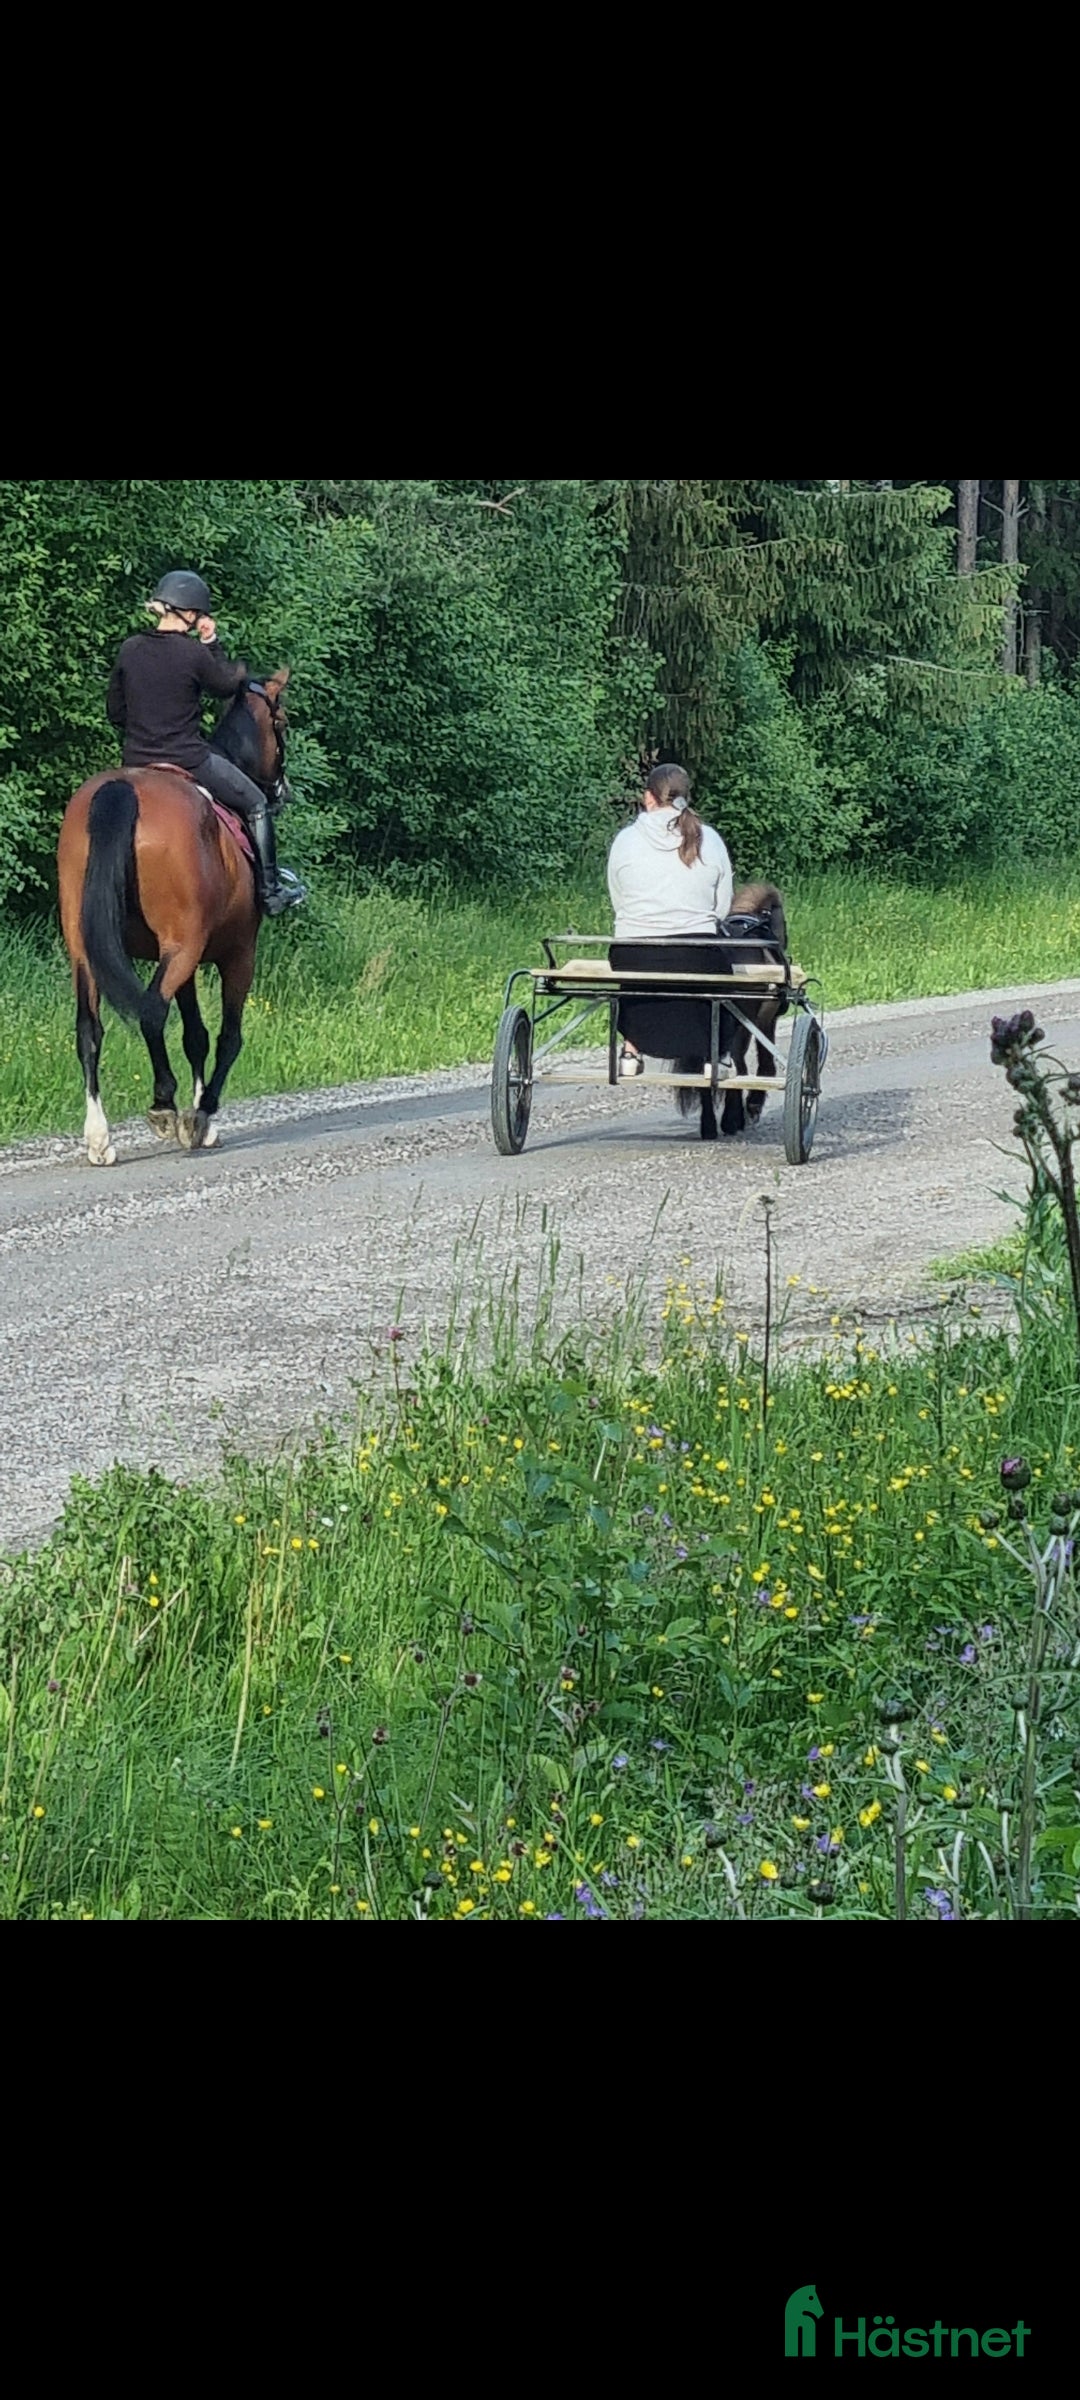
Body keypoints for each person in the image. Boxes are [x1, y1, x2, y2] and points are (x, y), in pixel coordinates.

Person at [106, 569, 307, 916]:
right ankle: (272, 892)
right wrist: (212, 643)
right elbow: (227, 686)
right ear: (189, 612)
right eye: (198, 612)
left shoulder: (130, 649)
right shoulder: (193, 654)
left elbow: (115, 712)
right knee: (257, 803)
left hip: (135, 761)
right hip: (189, 758)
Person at [606, 762, 734, 1072]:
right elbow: (722, 907)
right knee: (722, 976)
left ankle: (631, 1048)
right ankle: (716, 1053)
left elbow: (618, 901)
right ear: (686, 799)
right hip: (696, 954)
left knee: (635, 977)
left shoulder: (625, 840)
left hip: (632, 954)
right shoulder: (710, 839)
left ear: (647, 798)